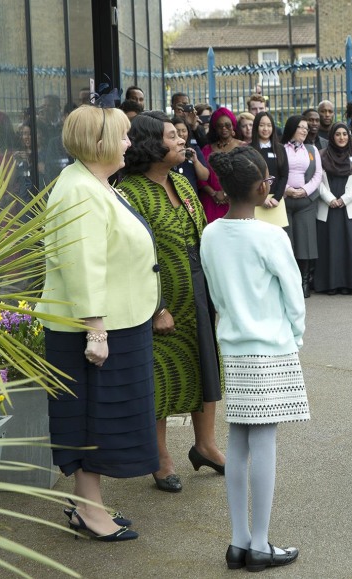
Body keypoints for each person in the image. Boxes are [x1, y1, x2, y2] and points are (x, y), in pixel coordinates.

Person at [37, 105, 161, 541]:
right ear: (99, 142)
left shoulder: (92, 182)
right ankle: (89, 512)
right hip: (93, 330)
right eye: (124, 136)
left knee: (99, 418)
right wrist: (96, 331)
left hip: (115, 324)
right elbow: (81, 265)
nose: (130, 143)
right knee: (92, 420)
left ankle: (87, 505)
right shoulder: (78, 191)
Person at [201, 146, 309, 572]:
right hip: (270, 345)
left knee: (238, 440)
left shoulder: (210, 233)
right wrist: (295, 336)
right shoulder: (270, 235)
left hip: (232, 344)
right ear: (264, 186)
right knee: (264, 441)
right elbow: (293, 294)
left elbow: (214, 291)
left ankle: (238, 540)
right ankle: (260, 543)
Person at [120, 111, 225, 493]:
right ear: (151, 145)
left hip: (198, 290)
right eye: (172, 136)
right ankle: (161, 456)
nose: (182, 140)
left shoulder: (182, 183)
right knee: (160, 375)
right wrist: (156, 308)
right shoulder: (130, 192)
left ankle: (205, 445)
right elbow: (131, 258)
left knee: (206, 365)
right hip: (162, 301)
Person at [315, 122, 352, 295]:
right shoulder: (322, 155)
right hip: (329, 205)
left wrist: (344, 200)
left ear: (349, 136)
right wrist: (331, 199)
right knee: (331, 245)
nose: (341, 138)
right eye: (338, 134)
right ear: (332, 137)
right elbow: (317, 180)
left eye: (345, 134)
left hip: (350, 205)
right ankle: (330, 284)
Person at [281, 115, 322, 298]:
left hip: (305, 201)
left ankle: (304, 282)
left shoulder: (312, 149)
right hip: (284, 200)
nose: (305, 130)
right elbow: (276, 173)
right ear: (292, 128)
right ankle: (288, 282)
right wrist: (288, 190)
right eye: (301, 127)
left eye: (306, 128)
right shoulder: (281, 149)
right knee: (286, 242)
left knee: (306, 242)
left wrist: (304, 190)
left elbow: (318, 175)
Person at [198, 107, 246, 223]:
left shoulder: (243, 147)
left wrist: (225, 193)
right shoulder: (206, 149)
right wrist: (214, 193)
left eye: (227, 125)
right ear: (215, 128)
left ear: (233, 125)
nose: (224, 128)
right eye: (219, 126)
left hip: (235, 201)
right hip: (211, 201)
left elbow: (246, 174)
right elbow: (201, 177)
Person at [249, 111, 289, 227]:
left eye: (269, 125)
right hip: (257, 201)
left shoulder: (280, 149)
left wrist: (277, 198)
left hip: (276, 202)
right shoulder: (250, 149)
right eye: (262, 125)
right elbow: (250, 176)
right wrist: (262, 197)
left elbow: (284, 175)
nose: (265, 129)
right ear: (256, 127)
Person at [171, 116, 210, 194]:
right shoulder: (167, 151)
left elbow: (204, 177)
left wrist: (195, 161)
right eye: (177, 131)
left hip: (191, 196)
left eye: (184, 130)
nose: (181, 134)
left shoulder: (194, 149)